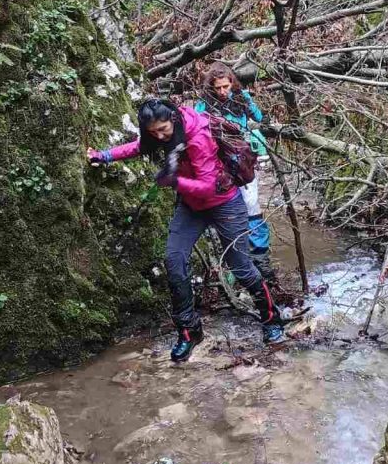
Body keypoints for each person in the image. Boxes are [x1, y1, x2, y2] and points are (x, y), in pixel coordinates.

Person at [87, 97, 284, 363]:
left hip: (224, 202)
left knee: (240, 267)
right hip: (191, 207)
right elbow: (140, 147)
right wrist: (105, 155)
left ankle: (272, 320)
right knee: (174, 261)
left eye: (163, 130)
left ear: (174, 119)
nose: (159, 135)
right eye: (153, 131)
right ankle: (189, 331)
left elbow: (207, 185)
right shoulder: (159, 133)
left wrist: (175, 181)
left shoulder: (198, 135)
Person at [195, 63, 273, 280]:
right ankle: (232, 257)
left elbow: (260, 118)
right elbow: (193, 128)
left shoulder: (241, 98)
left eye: (226, 86)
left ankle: (260, 257)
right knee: (225, 207)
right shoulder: (203, 105)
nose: (222, 92)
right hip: (216, 161)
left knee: (251, 205)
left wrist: (255, 130)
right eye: (218, 88)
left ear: (232, 84)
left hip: (242, 159)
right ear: (211, 87)